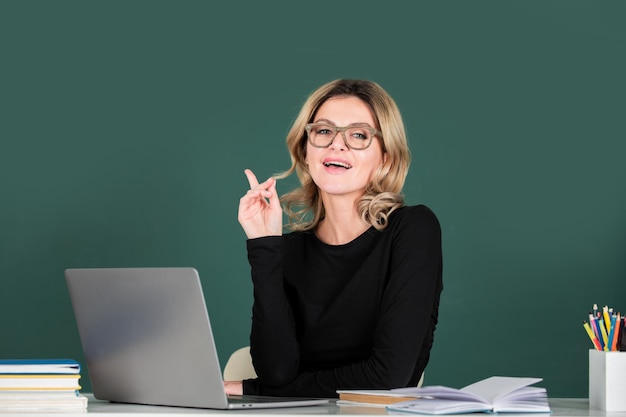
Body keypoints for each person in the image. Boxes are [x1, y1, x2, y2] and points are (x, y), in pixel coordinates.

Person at [229, 79, 443, 398]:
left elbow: (388, 378)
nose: (337, 145)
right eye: (324, 131)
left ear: (385, 157)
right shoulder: (286, 250)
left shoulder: (413, 229)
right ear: (305, 149)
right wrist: (264, 245)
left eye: (358, 135)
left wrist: (251, 390)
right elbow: (275, 372)